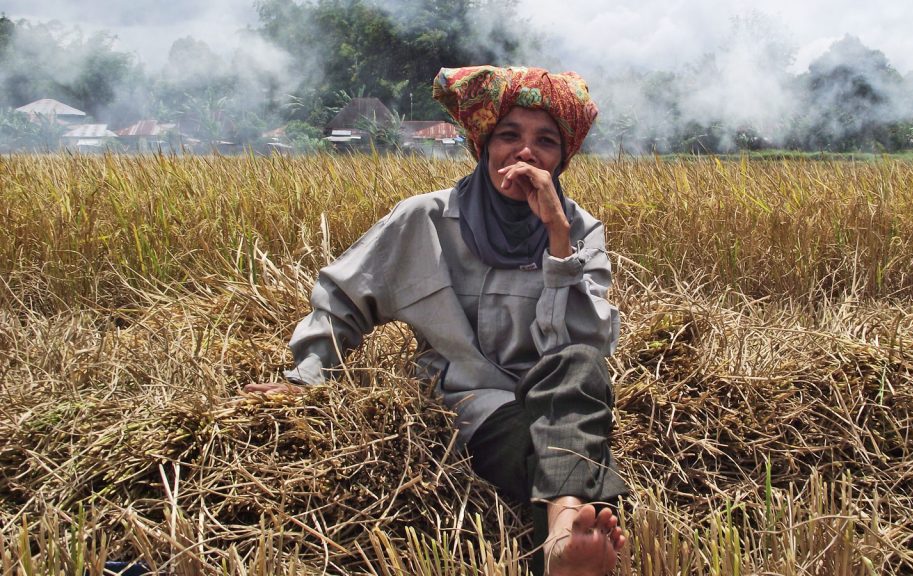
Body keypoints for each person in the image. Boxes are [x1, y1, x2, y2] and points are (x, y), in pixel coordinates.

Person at [245, 65, 628, 575]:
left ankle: (562, 536)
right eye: (507, 136)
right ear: (482, 146)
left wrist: (558, 240)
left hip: (558, 393)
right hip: (473, 401)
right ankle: (566, 530)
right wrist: (307, 380)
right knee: (550, 450)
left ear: (563, 158)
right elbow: (344, 296)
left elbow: (585, 344)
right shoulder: (423, 219)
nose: (525, 154)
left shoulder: (579, 230)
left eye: (545, 142)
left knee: (579, 371)